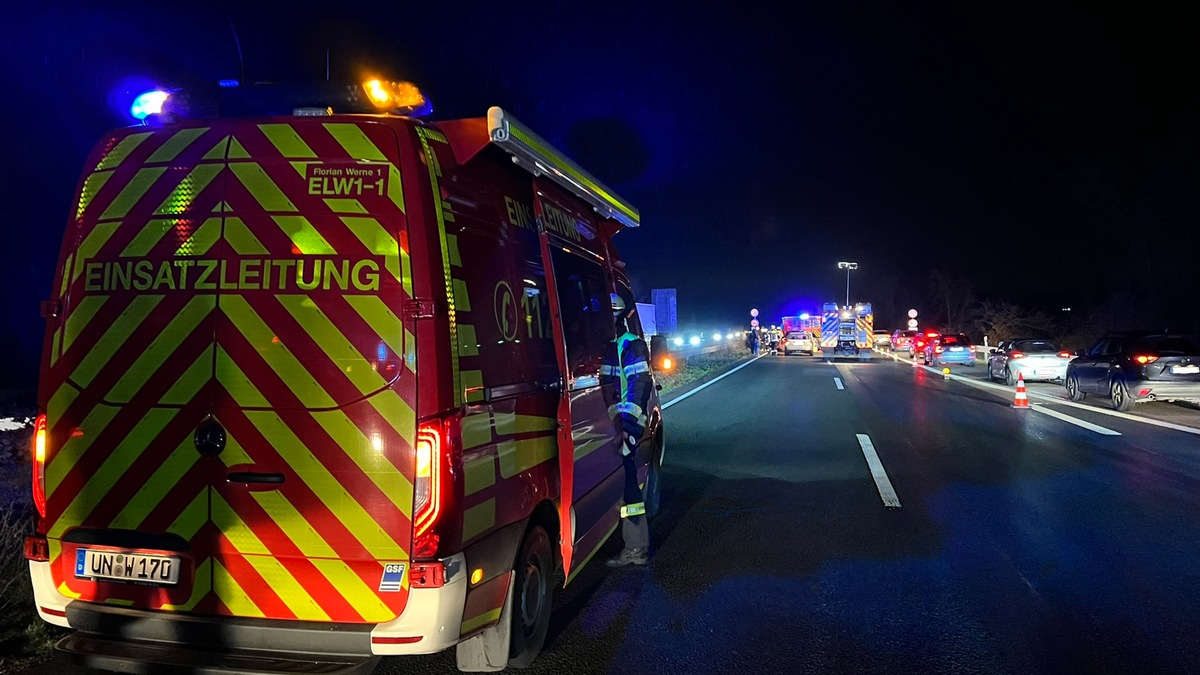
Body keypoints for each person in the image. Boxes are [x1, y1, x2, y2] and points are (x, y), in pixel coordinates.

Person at [602, 291, 654, 567]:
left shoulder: (630, 345)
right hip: (616, 428)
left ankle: (635, 548)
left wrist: (628, 428)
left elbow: (638, 387)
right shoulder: (613, 345)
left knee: (630, 486)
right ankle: (634, 546)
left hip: (626, 428)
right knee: (625, 484)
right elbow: (609, 389)